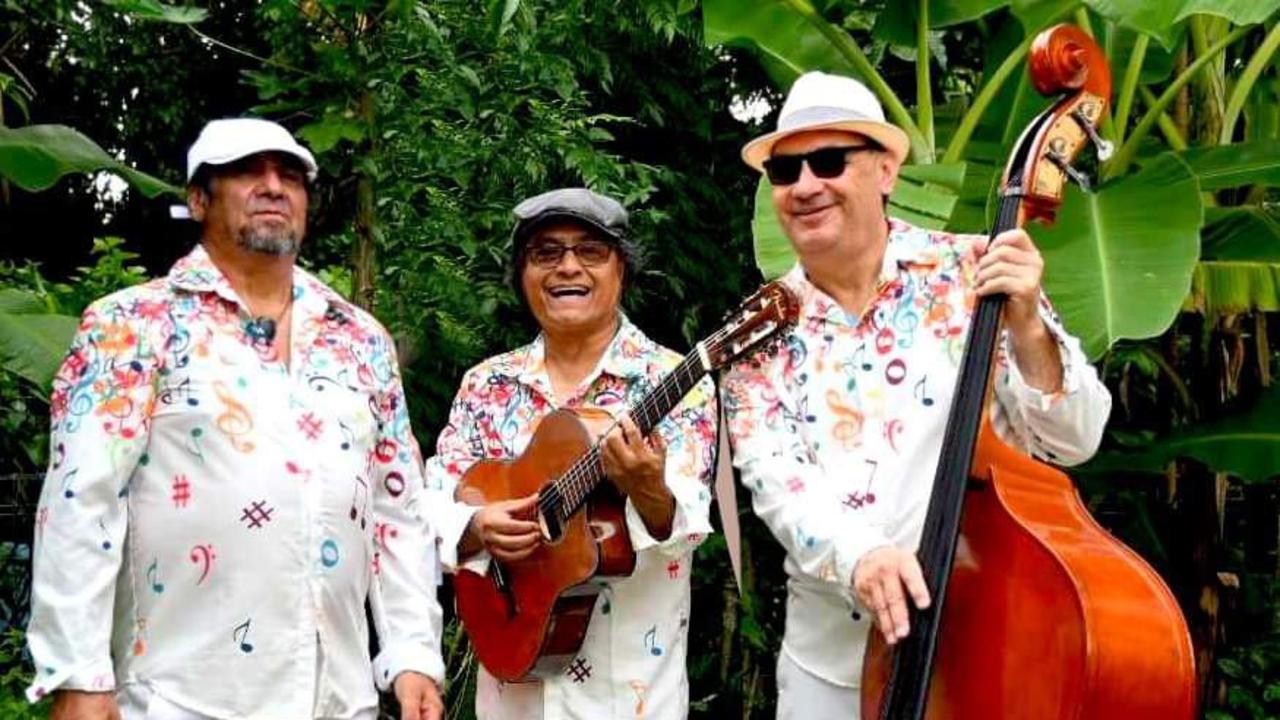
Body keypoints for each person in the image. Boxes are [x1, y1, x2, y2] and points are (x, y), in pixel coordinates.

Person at [720, 71, 1113, 719]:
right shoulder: (758, 329)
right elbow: (778, 481)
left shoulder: (976, 273)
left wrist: (1028, 326)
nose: (805, 185)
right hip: (829, 668)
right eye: (786, 171)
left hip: (984, 641)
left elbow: (1076, 437)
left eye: (829, 161)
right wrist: (861, 556)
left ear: (885, 172)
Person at [26, 118, 445, 720]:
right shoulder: (130, 326)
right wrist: (77, 672)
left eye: (291, 176)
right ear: (198, 199)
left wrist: (411, 655)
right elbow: (79, 502)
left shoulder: (360, 339)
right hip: (180, 697)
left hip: (337, 699)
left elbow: (396, 511)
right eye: (247, 172)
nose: (274, 186)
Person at [424, 188, 717, 719]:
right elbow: (429, 501)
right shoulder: (486, 385)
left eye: (590, 251)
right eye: (546, 253)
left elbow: (687, 520)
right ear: (522, 274)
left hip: (630, 695)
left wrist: (649, 489)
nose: (567, 268)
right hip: (512, 692)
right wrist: (475, 523)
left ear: (621, 268)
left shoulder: (675, 380)